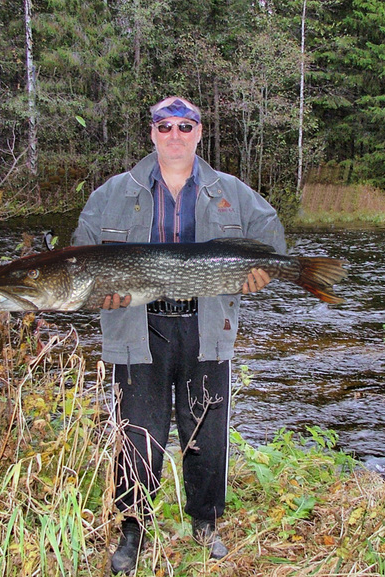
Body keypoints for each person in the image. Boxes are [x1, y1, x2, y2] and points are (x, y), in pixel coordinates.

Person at [72, 96, 286, 575]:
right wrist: (97, 295)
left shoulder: (230, 190)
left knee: (206, 430)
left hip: (206, 325)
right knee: (138, 432)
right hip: (136, 327)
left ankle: (206, 523)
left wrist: (263, 273)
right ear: (151, 133)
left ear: (199, 132)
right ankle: (133, 528)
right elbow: (83, 262)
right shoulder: (112, 193)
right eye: (165, 127)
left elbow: (270, 238)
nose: (174, 136)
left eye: (184, 127)